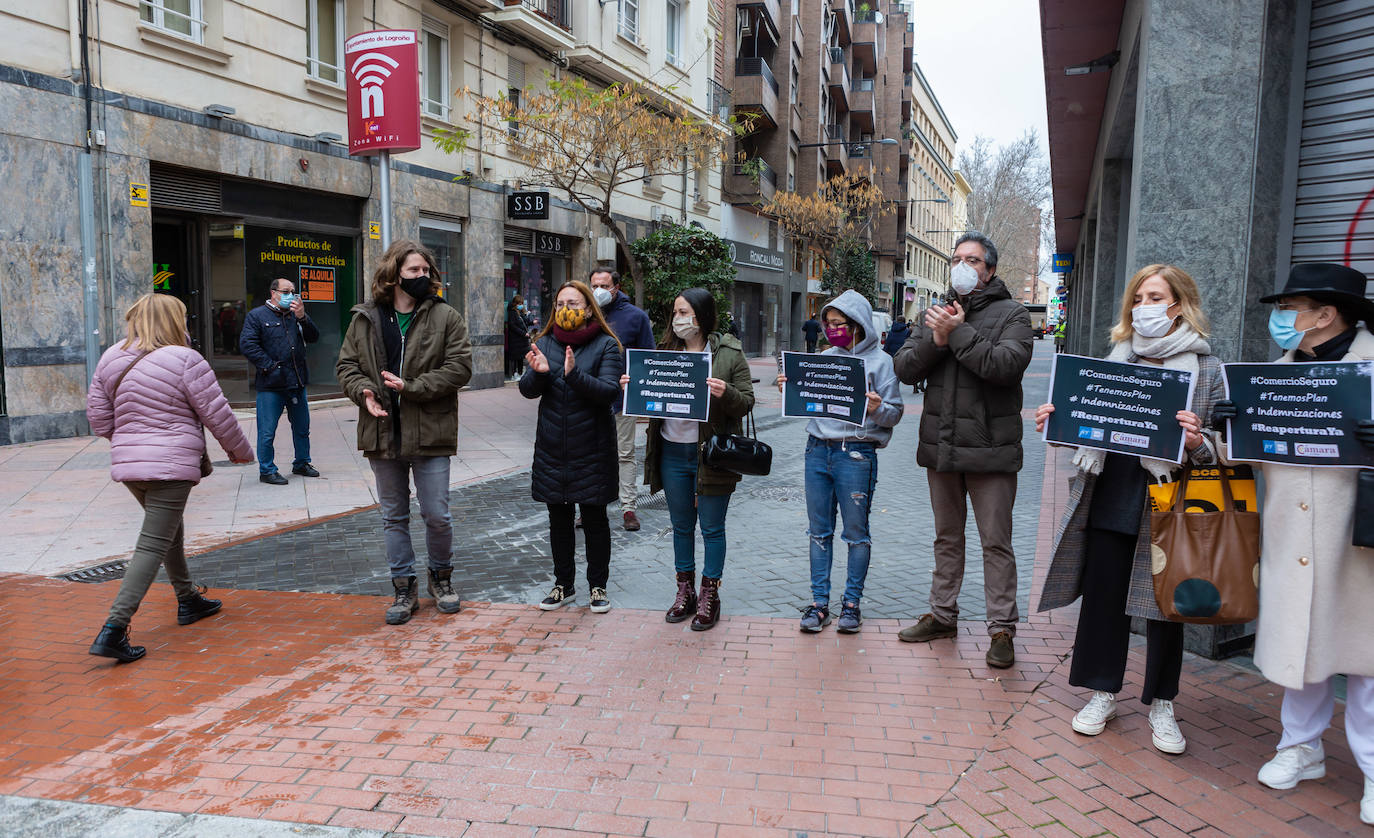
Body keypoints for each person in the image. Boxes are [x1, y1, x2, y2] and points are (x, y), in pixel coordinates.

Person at [1034, 264, 1224, 756]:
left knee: (1166, 610)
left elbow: (1228, 450)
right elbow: (1088, 425)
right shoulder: (1116, 360)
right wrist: (1058, 422)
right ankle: (1103, 693)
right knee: (1103, 602)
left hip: (1171, 503)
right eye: (1138, 298)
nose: (1144, 308)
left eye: (1155, 297)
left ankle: (1163, 703)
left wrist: (1198, 442)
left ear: (1178, 305)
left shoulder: (1207, 370)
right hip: (1111, 495)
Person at [1213, 263, 1374, 821]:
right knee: (1301, 645)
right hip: (1290, 528)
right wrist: (1229, 427)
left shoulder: (1373, 367)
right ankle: (1300, 748)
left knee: (1365, 656)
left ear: (1325, 315)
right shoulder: (1274, 376)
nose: (1280, 320)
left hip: (1358, 533)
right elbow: (1244, 457)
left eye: (1289, 309)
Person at [85, 293, 255, 662]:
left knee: (167, 531)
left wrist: (132, 442)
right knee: (151, 544)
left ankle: (188, 599)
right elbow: (217, 413)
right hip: (172, 466)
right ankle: (114, 629)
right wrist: (240, 451)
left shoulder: (111, 357)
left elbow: (98, 420)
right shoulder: (185, 359)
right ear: (175, 321)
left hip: (130, 467)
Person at [893, 231, 1033, 668]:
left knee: (996, 542)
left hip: (991, 451)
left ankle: (1002, 629)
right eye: (956, 258)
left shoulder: (1014, 314)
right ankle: (942, 614)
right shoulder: (935, 313)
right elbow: (903, 366)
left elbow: (1005, 367)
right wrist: (937, 339)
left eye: (971, 259)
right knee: (947, 538)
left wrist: (957, 333)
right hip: (943, 449)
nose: (962, 265)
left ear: (989, 269)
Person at [336, 240, 473, 625]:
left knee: (437, 515)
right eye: (414, 270)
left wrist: (410, 387)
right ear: (394, 273)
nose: (422, 276)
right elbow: (346, 366)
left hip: (430, 430)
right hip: (382, 431)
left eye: (426, 270)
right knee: (393, 517)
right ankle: (403, 586)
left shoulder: (446, 316)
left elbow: (460, 368)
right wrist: (363, 393)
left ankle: (441, 578)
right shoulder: (365, 317)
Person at [777, 291, 904, 633]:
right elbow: (806, 398)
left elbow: (895, 415)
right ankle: (820, 604)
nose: (831, 329)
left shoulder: (881, 362)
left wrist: (878, 408)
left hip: (856, 454)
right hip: (817, 449)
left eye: (838, 324)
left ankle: (851, 604)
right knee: (818, 531)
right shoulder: (823, 357)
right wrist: (790, 388)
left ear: (858, 325)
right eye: (828, 323)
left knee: (855, 534)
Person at [630, 288, 755, 631]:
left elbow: (746, 401)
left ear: (701, 315)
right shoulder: (665, 351)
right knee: (682, 527)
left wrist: (724, 392)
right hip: (672, 451)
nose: (678, 319)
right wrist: (635, 386)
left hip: (712, 455)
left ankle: (709, 596)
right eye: (675, 312)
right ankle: (683, 592)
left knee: (712, 528)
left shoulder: (727, 352)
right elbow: (649, 397)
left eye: (684, 312)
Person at [520, 281, 624, 613]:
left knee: (595, 519)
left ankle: (598, 586)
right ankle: (563, 585)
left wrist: (574, 375)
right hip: (554, 448)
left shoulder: (607, 345)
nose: (567, 309)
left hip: (592, 448)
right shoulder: (544, 342)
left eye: (574, 303)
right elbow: (527, 389)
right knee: (558, 520)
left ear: (589, 309)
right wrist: (537, 374)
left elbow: (609, 391)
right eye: (561, 302)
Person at [588, 268, 655, 532]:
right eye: (593, 285)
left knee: (624, 454)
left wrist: (638, 392)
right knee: (592, 456)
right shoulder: (585, 313)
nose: (598, 290)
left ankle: (628, 508)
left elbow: (646, 358)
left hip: (620, 400)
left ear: (617, 286)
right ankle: (591, 506)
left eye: (604, 285)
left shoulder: (636, 317)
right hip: (590, 399)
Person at [238, 277, 321, 485]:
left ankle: (302, 463)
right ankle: (267, 470)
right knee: (267, 431)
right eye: (286, 291)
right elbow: (248, 345)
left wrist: (303, 317)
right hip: (271, 384)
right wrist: (271, 366)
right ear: (273, 293)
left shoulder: (296, 315)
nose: (290, 296)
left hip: (297, 381)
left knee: (302, 427)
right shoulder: (256, 316)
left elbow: (314, 337)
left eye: (292, 291)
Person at [506, 294, 532, 379]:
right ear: (515, 304)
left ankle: (520, 373)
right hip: (515, 339)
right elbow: (513, 326)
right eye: (519, 303)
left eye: (522, 303)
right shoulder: (512, 313)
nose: (521, 305)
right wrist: (523, 333)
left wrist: (531, 320)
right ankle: (514, 374)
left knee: (521, 357)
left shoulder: (521, 312)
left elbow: (525, 322)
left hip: (522, 340)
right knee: (515, 358)